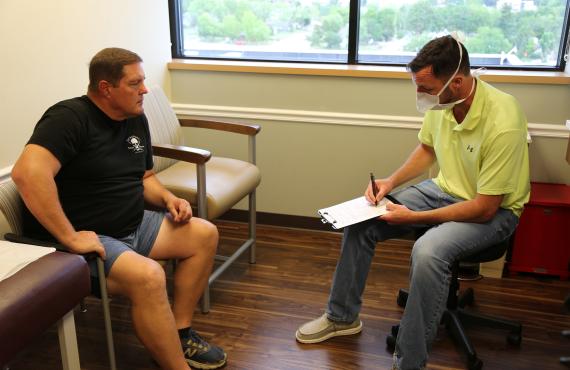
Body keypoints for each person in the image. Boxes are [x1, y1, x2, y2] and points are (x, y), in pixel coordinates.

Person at [295, 35, 530, 370]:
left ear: (457, 82)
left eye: (427, 88)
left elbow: (484, 208)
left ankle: (409, 362)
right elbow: (428, 148)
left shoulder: (503, 120)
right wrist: (390, 183)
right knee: (362, 219)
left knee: (428, 251)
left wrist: (415, 217)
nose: (421, 95)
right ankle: (342, 317)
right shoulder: (443, 104)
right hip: (445, 189)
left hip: (494, 211)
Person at [12, 48, 227, 370]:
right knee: (149, 276)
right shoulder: (69, 118)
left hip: (134, 224)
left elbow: (144, 176)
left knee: (203, 234)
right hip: (92, 239)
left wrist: (168, 199)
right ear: (105, 88)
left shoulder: (134, 116)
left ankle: (179, 334)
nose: (144, 90)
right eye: (135, 83)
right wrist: (69, 237)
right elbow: (27, 174)